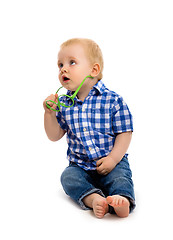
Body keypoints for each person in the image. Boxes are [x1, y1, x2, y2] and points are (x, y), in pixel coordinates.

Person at [43, 38, 136, 218]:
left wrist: (113, 158)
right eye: (60, 64)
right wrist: (49, 114)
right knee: (68, 177)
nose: (63, 68)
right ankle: (93, 198)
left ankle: (121, 199)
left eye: (72, 62)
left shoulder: (112, 100)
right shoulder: (63, 104)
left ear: (94, 70)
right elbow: (54, 135)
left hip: (111, 161)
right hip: (80, 165)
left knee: (120, 177)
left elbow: (124, 132)